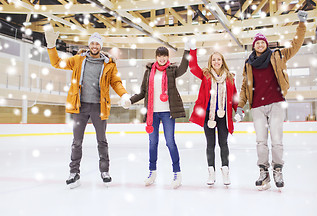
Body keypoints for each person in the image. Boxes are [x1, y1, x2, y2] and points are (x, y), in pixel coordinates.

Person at [45, 28, 130, 188]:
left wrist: (124, 95)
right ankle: (74, 172)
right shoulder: (77, 60)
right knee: (77, 142)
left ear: (101, 46)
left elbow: (116, 82)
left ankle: (105, 171)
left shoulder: (109, 64)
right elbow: (57, 63)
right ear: (89, 44)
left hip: (99, 107)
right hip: (80, 107)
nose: (94, 45)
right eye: (92, 43)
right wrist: (51, 46)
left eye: (97, 43)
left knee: (102, 141)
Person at [238, 10, 308, 190]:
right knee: (261, 141)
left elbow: (296, 44)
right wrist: (240, 106)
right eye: (257, 43)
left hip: (276, 103)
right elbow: (245, 87)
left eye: (262, 42)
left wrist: (301, 25)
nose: (260, 45)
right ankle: (264, 172)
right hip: (257, 107)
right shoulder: (248, 64)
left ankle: (278, 170)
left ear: (266, 44)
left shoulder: (277, 55)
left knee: (276, 140)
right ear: (254, 46)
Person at [129, 46, 189, 189]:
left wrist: (187, 50)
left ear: (168, 57)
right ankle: (152, 172)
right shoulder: (149, 72)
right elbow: (143, 92)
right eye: (159, 56)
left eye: (164, 56)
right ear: (156, 57)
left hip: (168, 112)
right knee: (152, 143)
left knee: (170, 142)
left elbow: (184, 68)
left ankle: (177, 173)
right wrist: (130, 100)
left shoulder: (172, 70)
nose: (162, 58)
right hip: (152, 113)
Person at [188, 41, 239, 186]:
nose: (216, 62)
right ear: (211, 62)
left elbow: (234, 96)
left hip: (223, 117)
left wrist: (238, 109)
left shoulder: (229, 77)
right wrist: (192, 50)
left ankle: (225, 172)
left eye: (219, 59)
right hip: (208, 116)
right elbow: (192, 67)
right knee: (210, 144)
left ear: (222, 62)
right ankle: (211, 173)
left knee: (223, 144)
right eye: (214, 59)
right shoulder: (206, 75)